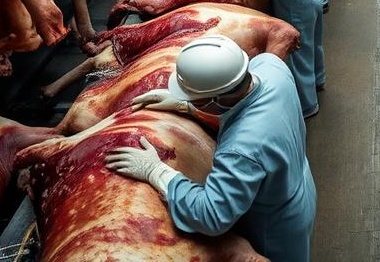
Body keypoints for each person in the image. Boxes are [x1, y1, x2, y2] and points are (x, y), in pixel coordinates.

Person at [106, 35, 316, 262]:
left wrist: (157, 172)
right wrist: (188, 106)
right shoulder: (270, 65)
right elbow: (245, 104)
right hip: (299, 184)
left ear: (214, 100)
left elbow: (212, 215)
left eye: (196, 99)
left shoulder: (241, 149)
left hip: (275, 226)